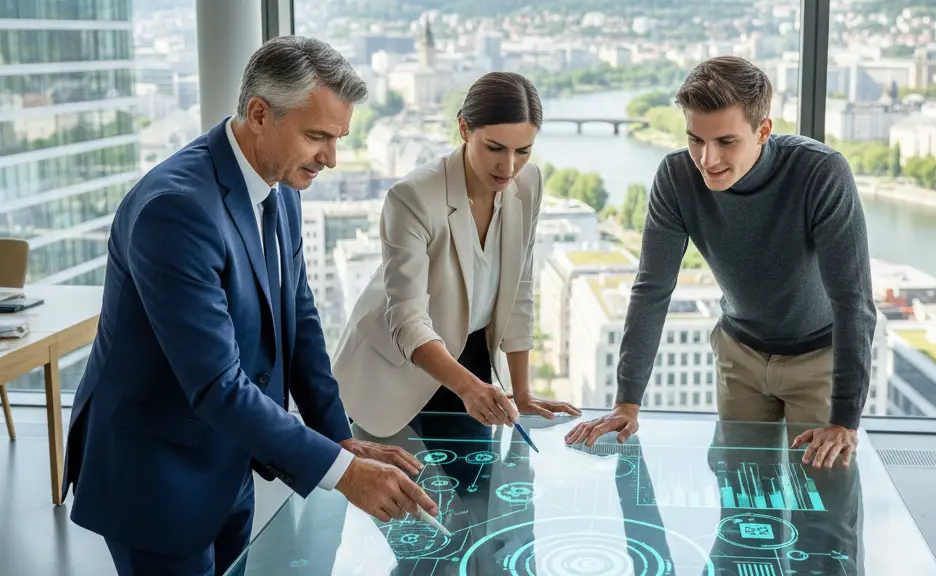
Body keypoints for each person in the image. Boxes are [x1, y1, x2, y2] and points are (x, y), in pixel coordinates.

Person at [62, 36, 438, 576]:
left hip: (228, 459)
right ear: (260, 114)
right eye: (317, 137)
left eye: (338, 138)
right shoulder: (176, 210)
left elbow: (300, 321)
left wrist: (340, 438)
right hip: (157, 477)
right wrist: (342, 473)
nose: (330, 158)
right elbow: (217, 384)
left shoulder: (279, 186)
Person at [566, 56, 877, 470]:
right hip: (739, 357)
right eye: (696, 139)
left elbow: (853, 301)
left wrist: (844, 420)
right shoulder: (676, 177)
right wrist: (627, 402)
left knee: (823, 506)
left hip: (820, 359)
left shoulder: (821, 172)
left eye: (726, 142)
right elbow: (652, 289)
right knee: (741, 496)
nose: (707, 159)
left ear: (763, 130)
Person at [331, 72, 580, 440]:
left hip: (472, 356)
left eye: (523, 151)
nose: (508, 167)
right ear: (464, 129)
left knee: (478, 492)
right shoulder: (413, 197)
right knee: (405, 495)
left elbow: (520, 291)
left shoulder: (529, 185)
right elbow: (407, 320)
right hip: (396, 366)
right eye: (495, 148)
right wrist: (467, 387)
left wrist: (523, 392)